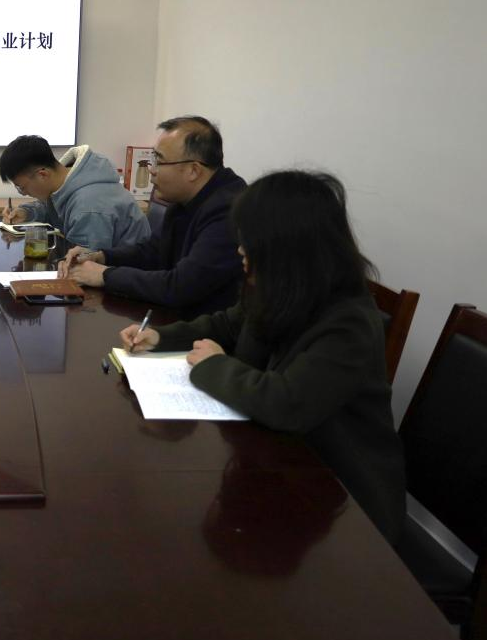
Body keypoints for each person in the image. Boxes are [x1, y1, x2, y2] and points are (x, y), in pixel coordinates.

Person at [119, 170, 405, 544]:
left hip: (342, 495)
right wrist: (161, 336)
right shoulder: (282, 287)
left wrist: (214, 365)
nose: (240, 249)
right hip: (280, 461)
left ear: (286, 246)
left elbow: (287, 403)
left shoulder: (349, 322)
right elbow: (228, 324)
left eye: (249, 240)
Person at [61, 116, 247, 317]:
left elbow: (181, 286)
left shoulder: (228, 210)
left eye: (159, 160)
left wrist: (105, 275)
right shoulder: (184, 199)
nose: (151, 169)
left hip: (207, 329)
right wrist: (102, 256)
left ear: (193, 170)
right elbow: (153, 252)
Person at [0, 135, 149, 254]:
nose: (24, 194)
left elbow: (81, 263)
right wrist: (26, 213)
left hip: (125, 275)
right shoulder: (68, 181)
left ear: (42, 175)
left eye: (22, 187)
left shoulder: (89, 207)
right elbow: (52, 207)